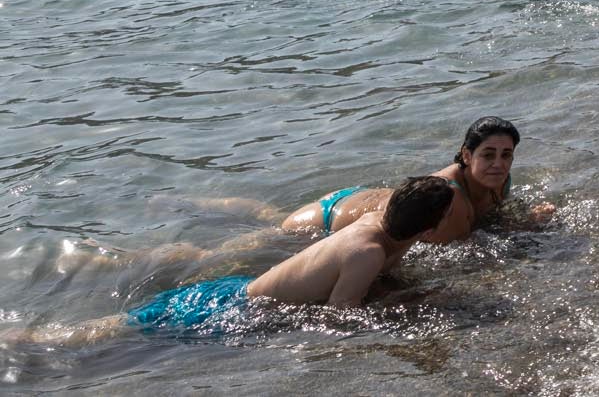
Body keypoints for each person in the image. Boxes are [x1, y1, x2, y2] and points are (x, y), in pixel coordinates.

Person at [16, 178, 458, 344]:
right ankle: (19, 340)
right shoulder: (367, 251)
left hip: (237, 296)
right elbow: (340, 314)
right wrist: (400, 319)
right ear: (429, 228)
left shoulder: (378, 224)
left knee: (119, 327)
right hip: (231, 308)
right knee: (109, 332)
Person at [278, 117, 553, 244]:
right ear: (467, 155)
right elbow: (463, 252)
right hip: (326, 220)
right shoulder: (450, 197)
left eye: (506, 155)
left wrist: (525, 221)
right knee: (268, 237)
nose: (499, 164)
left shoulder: (499, 180)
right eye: (488, 155)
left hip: (362, 197)